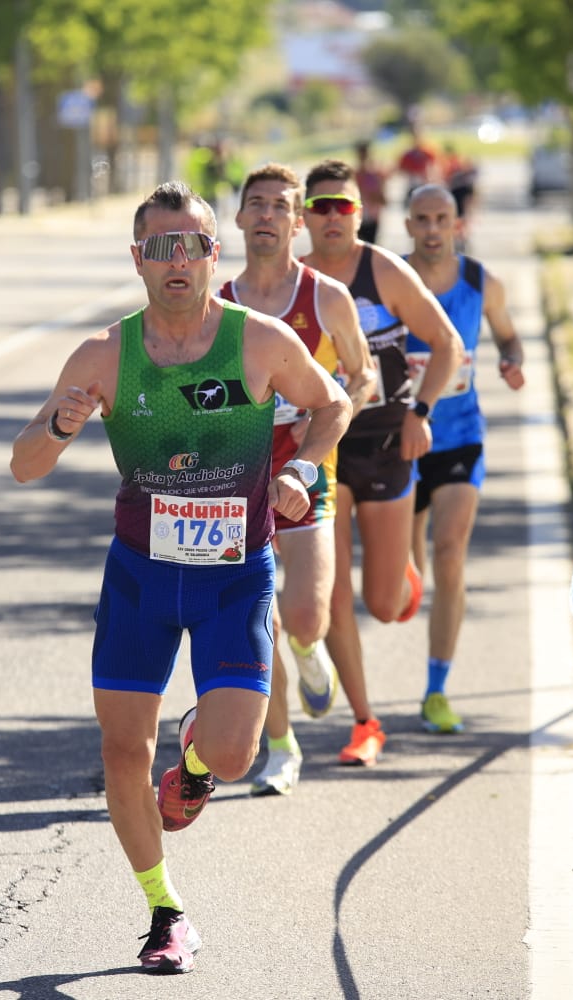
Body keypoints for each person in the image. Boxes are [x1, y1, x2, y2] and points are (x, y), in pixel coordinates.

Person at [11, 181, 349, 973]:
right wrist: (58, 427)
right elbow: (24, 465)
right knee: (122, 750)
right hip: (141, 576)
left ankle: (194, 760)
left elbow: (330, 405)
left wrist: (301, 467)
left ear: (212, 253)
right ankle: (165, 912)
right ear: (137, 259)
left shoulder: (259, 341)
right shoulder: (104, 355)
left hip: (236, 573)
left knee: (235, 757)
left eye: (190, 245)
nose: (176, 261)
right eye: (159, 247)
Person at [217, 162, 375, 796]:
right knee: (257, 619)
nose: (265, 215)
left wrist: (332, 418)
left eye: (279, 206)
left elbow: (361, 376)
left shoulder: (325, 297)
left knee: (305, 613)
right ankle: (280, 749)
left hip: (307, 464)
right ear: (238, 218)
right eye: (255, 204)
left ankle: (311, 652)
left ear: (297, 220)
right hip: (238, 471)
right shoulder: (218, 304)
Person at [299, 158, 459, 767]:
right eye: (321, 207)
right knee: (332, 591)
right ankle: (365, 722)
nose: (333, 216)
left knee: (385, 604)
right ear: (303, 217)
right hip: (324, 446)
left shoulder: (383, 272)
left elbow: (446, 345)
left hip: (390, 443)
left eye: (344, 206)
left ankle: (403, 577)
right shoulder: (295, 283)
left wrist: (421, 412)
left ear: (360, 215)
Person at [403, 184, 525, 734]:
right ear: (409, 225)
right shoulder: (389, 280)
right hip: (400, 439)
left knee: (450, 552)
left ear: (457, 223)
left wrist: (511, 363)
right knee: (406, 579)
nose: (432, 229)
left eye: (442, 219)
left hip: (459, 436)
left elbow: (509, 337)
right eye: (423, 219)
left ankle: (436, 688)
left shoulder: (481, 282)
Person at [351, 141, 388, 245]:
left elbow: (383, 198)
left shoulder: (376, 174)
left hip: (372, 217)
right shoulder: (353, 175)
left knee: (371, 246)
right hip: (357, 217)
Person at [396, 123, 440, 196]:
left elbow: (434, 167)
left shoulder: (428, 152)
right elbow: (402, 169)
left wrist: (430, 176)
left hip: (426, 182)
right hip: (413, 183)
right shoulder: (408, 154)